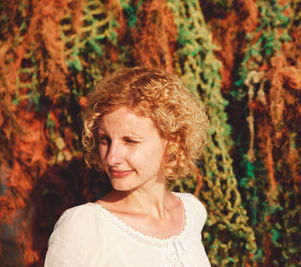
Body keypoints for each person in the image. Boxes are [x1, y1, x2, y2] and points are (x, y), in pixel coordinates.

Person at [44, 67, 211, 267]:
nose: (112, 157)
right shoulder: (83, 226)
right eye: (105, 140)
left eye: (130, 141)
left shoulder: (191, 212)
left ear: (172, 141)